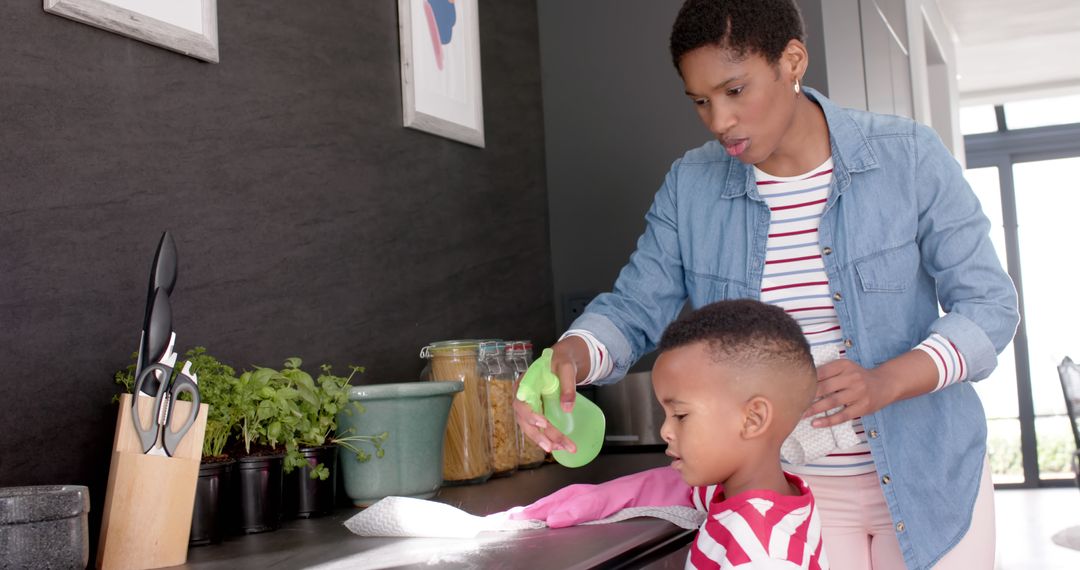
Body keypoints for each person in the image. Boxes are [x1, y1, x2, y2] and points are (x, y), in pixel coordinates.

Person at [513, 1, 1019, 568]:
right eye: (700, 100)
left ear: (792, 61)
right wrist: (574, 355)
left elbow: (990, 305)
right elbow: (634, 307)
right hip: (792, 497)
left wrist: (886, 382)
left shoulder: (908, 157)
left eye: (735, 90)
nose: (718, 120)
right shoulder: (691, 187)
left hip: (933, 476)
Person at [512, 300, 827, 568]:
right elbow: (677, 488)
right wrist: (597, 499)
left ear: (753, 419)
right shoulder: (754, 492)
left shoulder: (762, 557)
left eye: (680, 415)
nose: (665, 430)